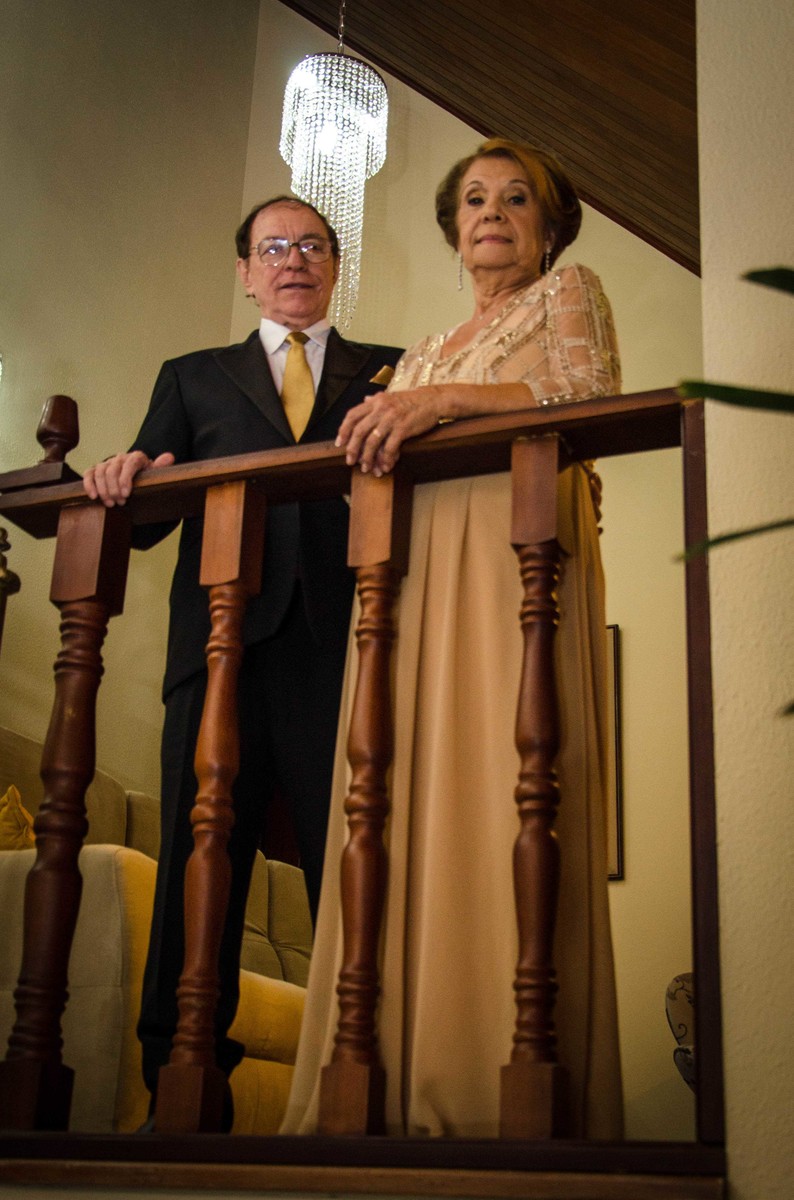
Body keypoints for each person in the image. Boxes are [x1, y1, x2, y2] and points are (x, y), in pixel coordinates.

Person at [281, 139, 624, 1139]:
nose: (491, 214)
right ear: (452, 229)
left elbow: (589, 390)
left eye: (516, 199)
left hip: (512, 562)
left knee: (502, 783)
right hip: (416, 573)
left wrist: (436, 402)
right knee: (399, 792)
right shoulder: (422, 351)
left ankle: (487, 1084)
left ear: (548, 228)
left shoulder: (566, 293)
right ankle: (383, 1079)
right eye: (474, 200)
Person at [83, 196, 403, 1115]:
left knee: (355, 861)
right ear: (246, 273)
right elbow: (148, 511)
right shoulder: (193, 377)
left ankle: (370, 1076)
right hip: (217, 652)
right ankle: (179, 1081)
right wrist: (124, 471)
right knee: (198, 861)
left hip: (347, 652)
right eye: (273, 248)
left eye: (310, 245)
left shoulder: (392, 369)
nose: (292, 260)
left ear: (334, 265)